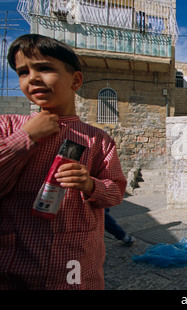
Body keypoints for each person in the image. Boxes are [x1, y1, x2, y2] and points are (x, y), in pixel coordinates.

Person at [0, 34, 127, 289]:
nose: (33, 78)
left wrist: (91, 185)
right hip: (14, 264)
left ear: (75, 80)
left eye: (44, 68)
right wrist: (27, 137)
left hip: (76, 265)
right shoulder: (8, 126)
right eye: (23, 72)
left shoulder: (98, 140)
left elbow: (115, 193)